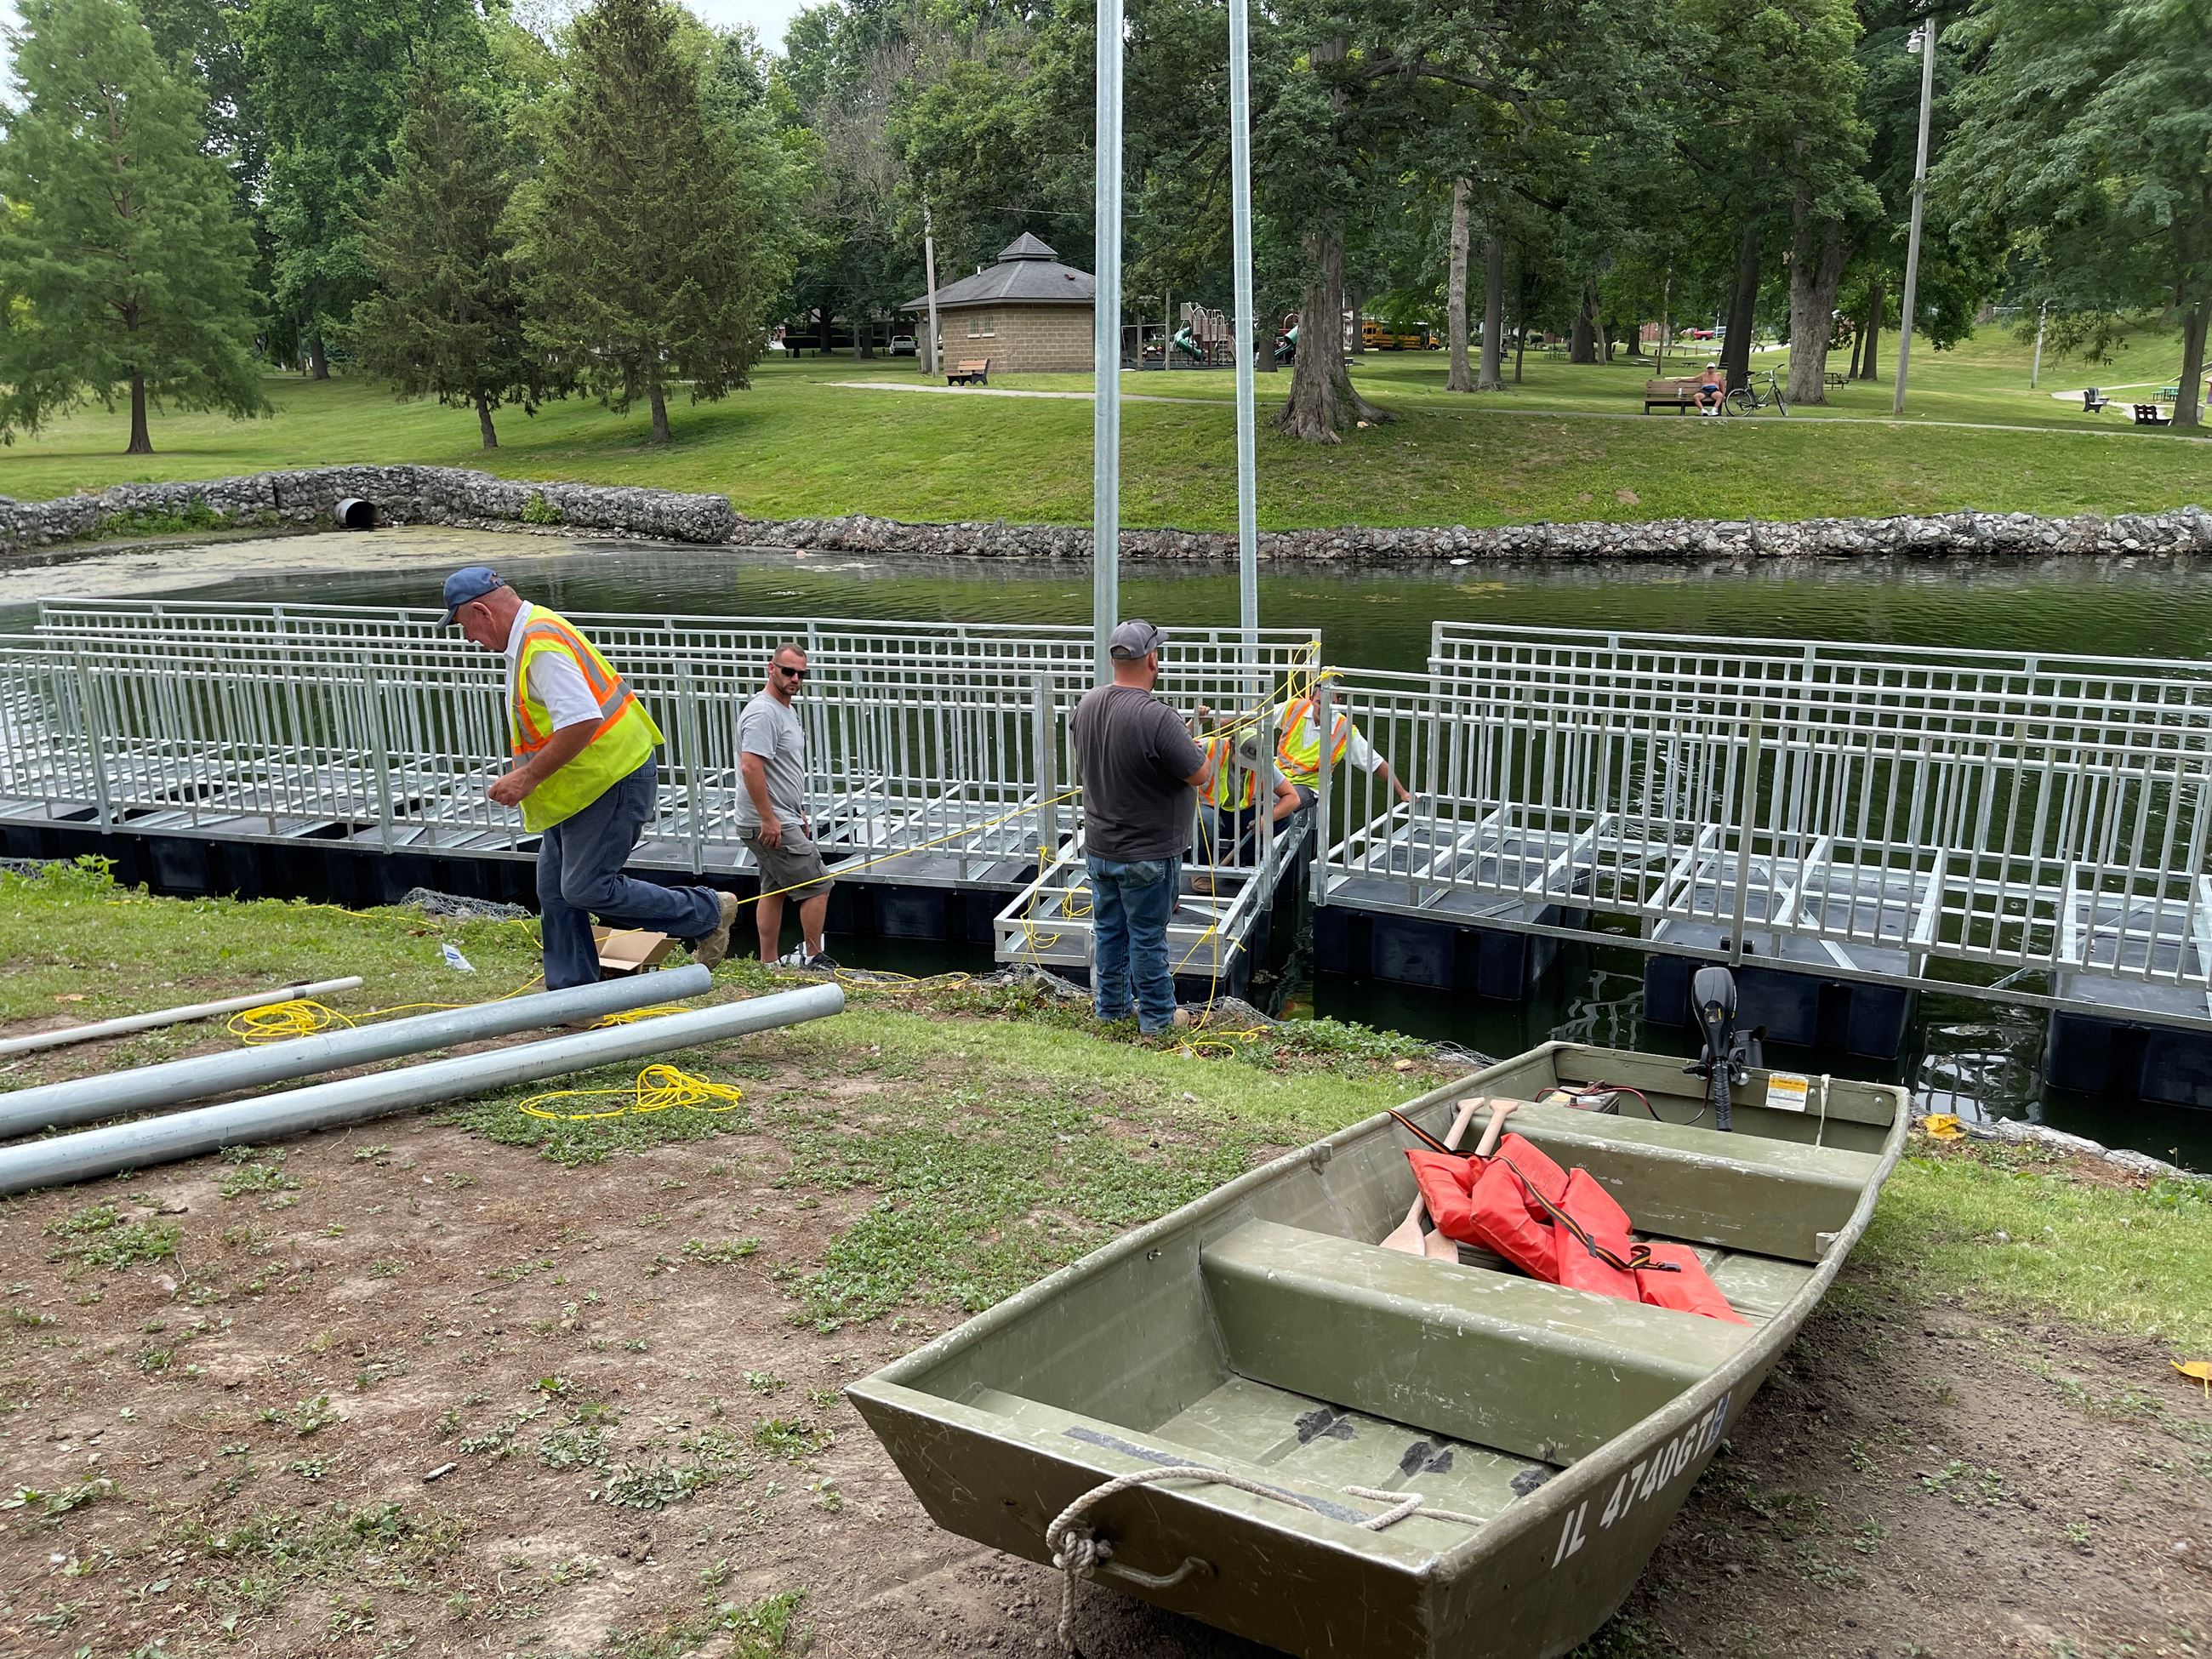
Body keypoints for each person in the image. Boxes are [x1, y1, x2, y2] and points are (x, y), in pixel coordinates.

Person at [442, 566, 739, 989]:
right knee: (555, 892)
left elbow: (581, 721)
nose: (467, 638)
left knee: (585, 888)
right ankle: (571, 995)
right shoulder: (536, 629)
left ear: (481, 612)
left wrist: (527, 777)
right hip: (579, 786)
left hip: (610, 778)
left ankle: (705, 911)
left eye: (463, 625)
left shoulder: (539, 646)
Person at [1070, 619, 1216, 1035]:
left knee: (1109, 931)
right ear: (1152, 659)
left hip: (1100, 848)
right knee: (1148, 937)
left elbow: (1118, 754)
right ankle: (1157, 1019)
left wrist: (1177, 745)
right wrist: (1190, 748)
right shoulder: (1157, 715)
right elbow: (1201, 774)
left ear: (1115, 659)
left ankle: (1111, 1011)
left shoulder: (1088, 703)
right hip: (1149, 853)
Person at [737, 641, 836, 970]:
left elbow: (783, 769)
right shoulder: (763, 713)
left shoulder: (787, 710)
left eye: (801, 674)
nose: (795, 678)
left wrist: (797, 812)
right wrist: (769, 819)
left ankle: (768, 963)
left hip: (783, 816)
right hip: (766, 820)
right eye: (788, 671)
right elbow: (750, 766)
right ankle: (813, 959)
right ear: (772, 668)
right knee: (818, 885)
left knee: (775, 888)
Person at [1273, 691, 1414, 812]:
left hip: (1306, 786)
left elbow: (1376, 763)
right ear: (1311, 699)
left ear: (1338, 702)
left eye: (1330, 703)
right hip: (1279, 776)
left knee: (1278, 800)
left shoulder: (1344, 731)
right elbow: (1261, 716)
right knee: (1255, 793)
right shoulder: (1295, 707)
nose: (1324, 708)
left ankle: (1263, 834)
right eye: (1319, 702)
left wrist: (1402, 793)